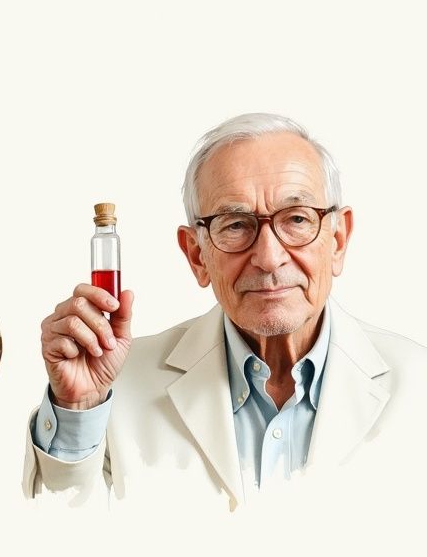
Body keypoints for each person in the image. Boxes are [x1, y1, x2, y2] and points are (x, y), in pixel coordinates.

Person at [22, 113, 427, 511]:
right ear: (196, 255)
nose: (269, 259)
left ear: (337, 240)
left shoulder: (418, 385)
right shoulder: (116, 386)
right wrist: (78, 407)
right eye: (235, 225)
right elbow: (60, 535)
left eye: (297, 219)